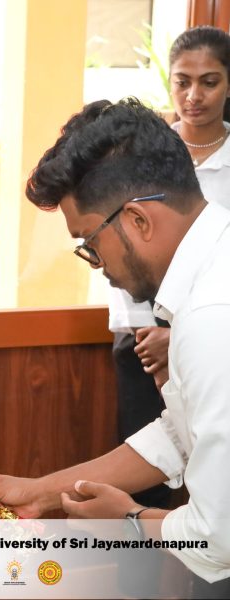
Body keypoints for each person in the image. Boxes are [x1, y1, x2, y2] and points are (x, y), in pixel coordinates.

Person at [0, 97, 230, 586]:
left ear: (138, 220)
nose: (97, 267)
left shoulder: (212, 316)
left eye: (91, 244)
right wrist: (40, 491)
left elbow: (217, 537)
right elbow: (181, 433)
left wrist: (128, 521)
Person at [111, 27, 230, 496]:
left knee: (210, 471)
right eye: (182, 82)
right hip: (142, 335)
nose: (193, 96)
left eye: (209, 82)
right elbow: (120, 244)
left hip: (217, 332)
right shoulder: (147, 153)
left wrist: (179, 337)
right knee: (143, 473)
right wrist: (149, 335)